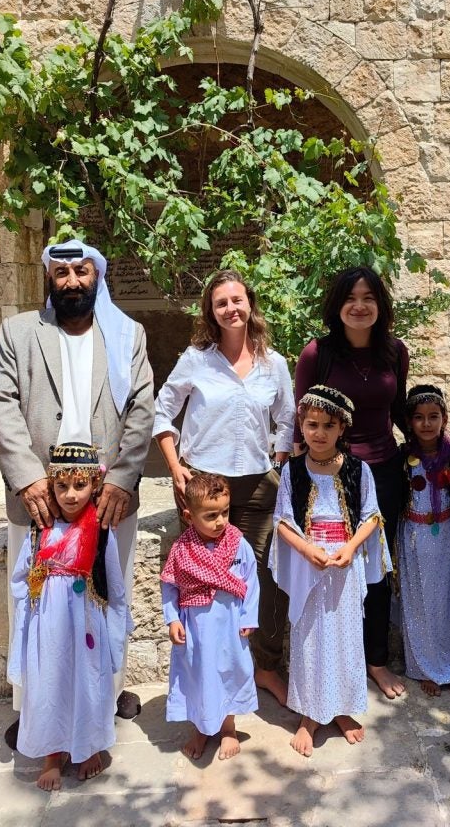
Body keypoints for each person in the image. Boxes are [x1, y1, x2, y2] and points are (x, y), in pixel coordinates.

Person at [0, 239, 155, 747]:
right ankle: (33, 707)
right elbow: (1, 403)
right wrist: (27, 477)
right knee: (35, 600)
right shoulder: (19, 333)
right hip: (40, 496)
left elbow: (142, 410)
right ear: (50, 280)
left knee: (107, 594)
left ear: (97, 277)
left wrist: (124, 478)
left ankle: (107, 693)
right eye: (62, 274)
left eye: (81, 272)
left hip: (107, 498)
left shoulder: (127, 335)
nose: (72, 282)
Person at [153, 269, 294, 705]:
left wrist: (279, 459)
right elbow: (163, 413)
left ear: (249, 303)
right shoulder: (197, 359)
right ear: (211, 313)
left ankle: (265, 668)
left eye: (237, 300)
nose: (231, 309)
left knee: (266, 578)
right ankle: (205, 677)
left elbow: (286, 419)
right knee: (201, 583)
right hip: (202, 486)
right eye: (221, 303)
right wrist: (176, 468)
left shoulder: (274, 364)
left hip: (256, 486)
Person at [293, 266, 409, 699]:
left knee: (376, 570)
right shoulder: (316, 354)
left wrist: (438, 444)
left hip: (384, 471)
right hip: (329, 476)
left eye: (369, 298)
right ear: (337, 305)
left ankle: (375, 661)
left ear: (381, 305)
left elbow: (398, 409)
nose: (360, 306)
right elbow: (300, 418)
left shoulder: (395, 352)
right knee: (331, 568)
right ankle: (333, 661)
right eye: (351, 298)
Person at [270, 385, 391, 757]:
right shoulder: (291, 470)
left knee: (345, 638)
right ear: (302, 427)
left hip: (345, 566)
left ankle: (339, 708)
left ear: (342, 429)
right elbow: (283, 521)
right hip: (310, 568)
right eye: (311, 424)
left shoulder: (359, 470)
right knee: (309, 639)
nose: (318, 433)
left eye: (327, 426)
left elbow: (372, 515)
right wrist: (307, 551)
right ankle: (309, 714)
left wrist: (350, 549)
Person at [7, 443, 131, 791]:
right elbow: (22, 576)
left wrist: (117, 627)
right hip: (48, 620)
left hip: (87, 622)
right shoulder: (39, 527)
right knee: (49, 683)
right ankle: (52, 753)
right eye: (62, 486)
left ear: (95, 485)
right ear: (51, 486)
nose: (71, 495)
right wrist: (27, 621)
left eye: (80, 486)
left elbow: (114, 584)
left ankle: (87, 747)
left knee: (86, 682)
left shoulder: (103, 529)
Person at [160, 473, 259, 761]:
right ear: (189, 516)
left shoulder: (238, 544)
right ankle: (202, 728)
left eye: (225, 512)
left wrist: (248, 617)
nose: (220, 522)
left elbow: (251, 581)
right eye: (211, 515)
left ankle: (228, 727)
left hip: (230, 623)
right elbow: (169, 585)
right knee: (198, 675)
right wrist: (173, 619)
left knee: (230, 670)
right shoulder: (182, 550)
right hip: (197, 627)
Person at [398, 384, 450, 698]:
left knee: (448, 602)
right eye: (418, 417)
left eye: (433, 416)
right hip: (413, 539)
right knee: (419, 604)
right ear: (409, 422)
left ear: (444, 418)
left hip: (445, 540)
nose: (426, 424)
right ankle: (424, 668)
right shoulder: (403, 457)